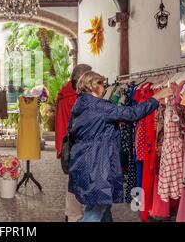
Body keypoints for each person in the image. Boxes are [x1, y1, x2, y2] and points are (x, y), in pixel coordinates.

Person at [68, 71, 173, 222]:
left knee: (102, 207)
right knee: (96, 210)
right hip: (98, 164)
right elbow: (131, 113)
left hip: (84, 161)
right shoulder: (100, 107)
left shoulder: (80, 104)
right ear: (92, 86)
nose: (104, 87)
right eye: (101, 84)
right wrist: (156, 98)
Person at [55, 64, 92, 222]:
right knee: (76, 182)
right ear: (78, 78)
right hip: (76, 145)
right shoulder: (73, 99)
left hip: (71, 145)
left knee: (75, 181)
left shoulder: (67, 94)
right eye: (88, 76)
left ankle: (73, 214)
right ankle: (74, 215)